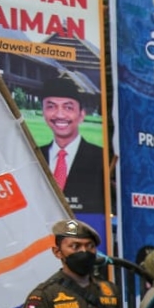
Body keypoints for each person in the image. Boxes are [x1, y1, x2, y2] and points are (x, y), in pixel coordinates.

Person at [37, 76, 105, 213]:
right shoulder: (33, 157)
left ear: (81, 115)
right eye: (51, 106)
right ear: (43, 112)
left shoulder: (100, 158)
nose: (60, 115)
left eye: (68, 107)